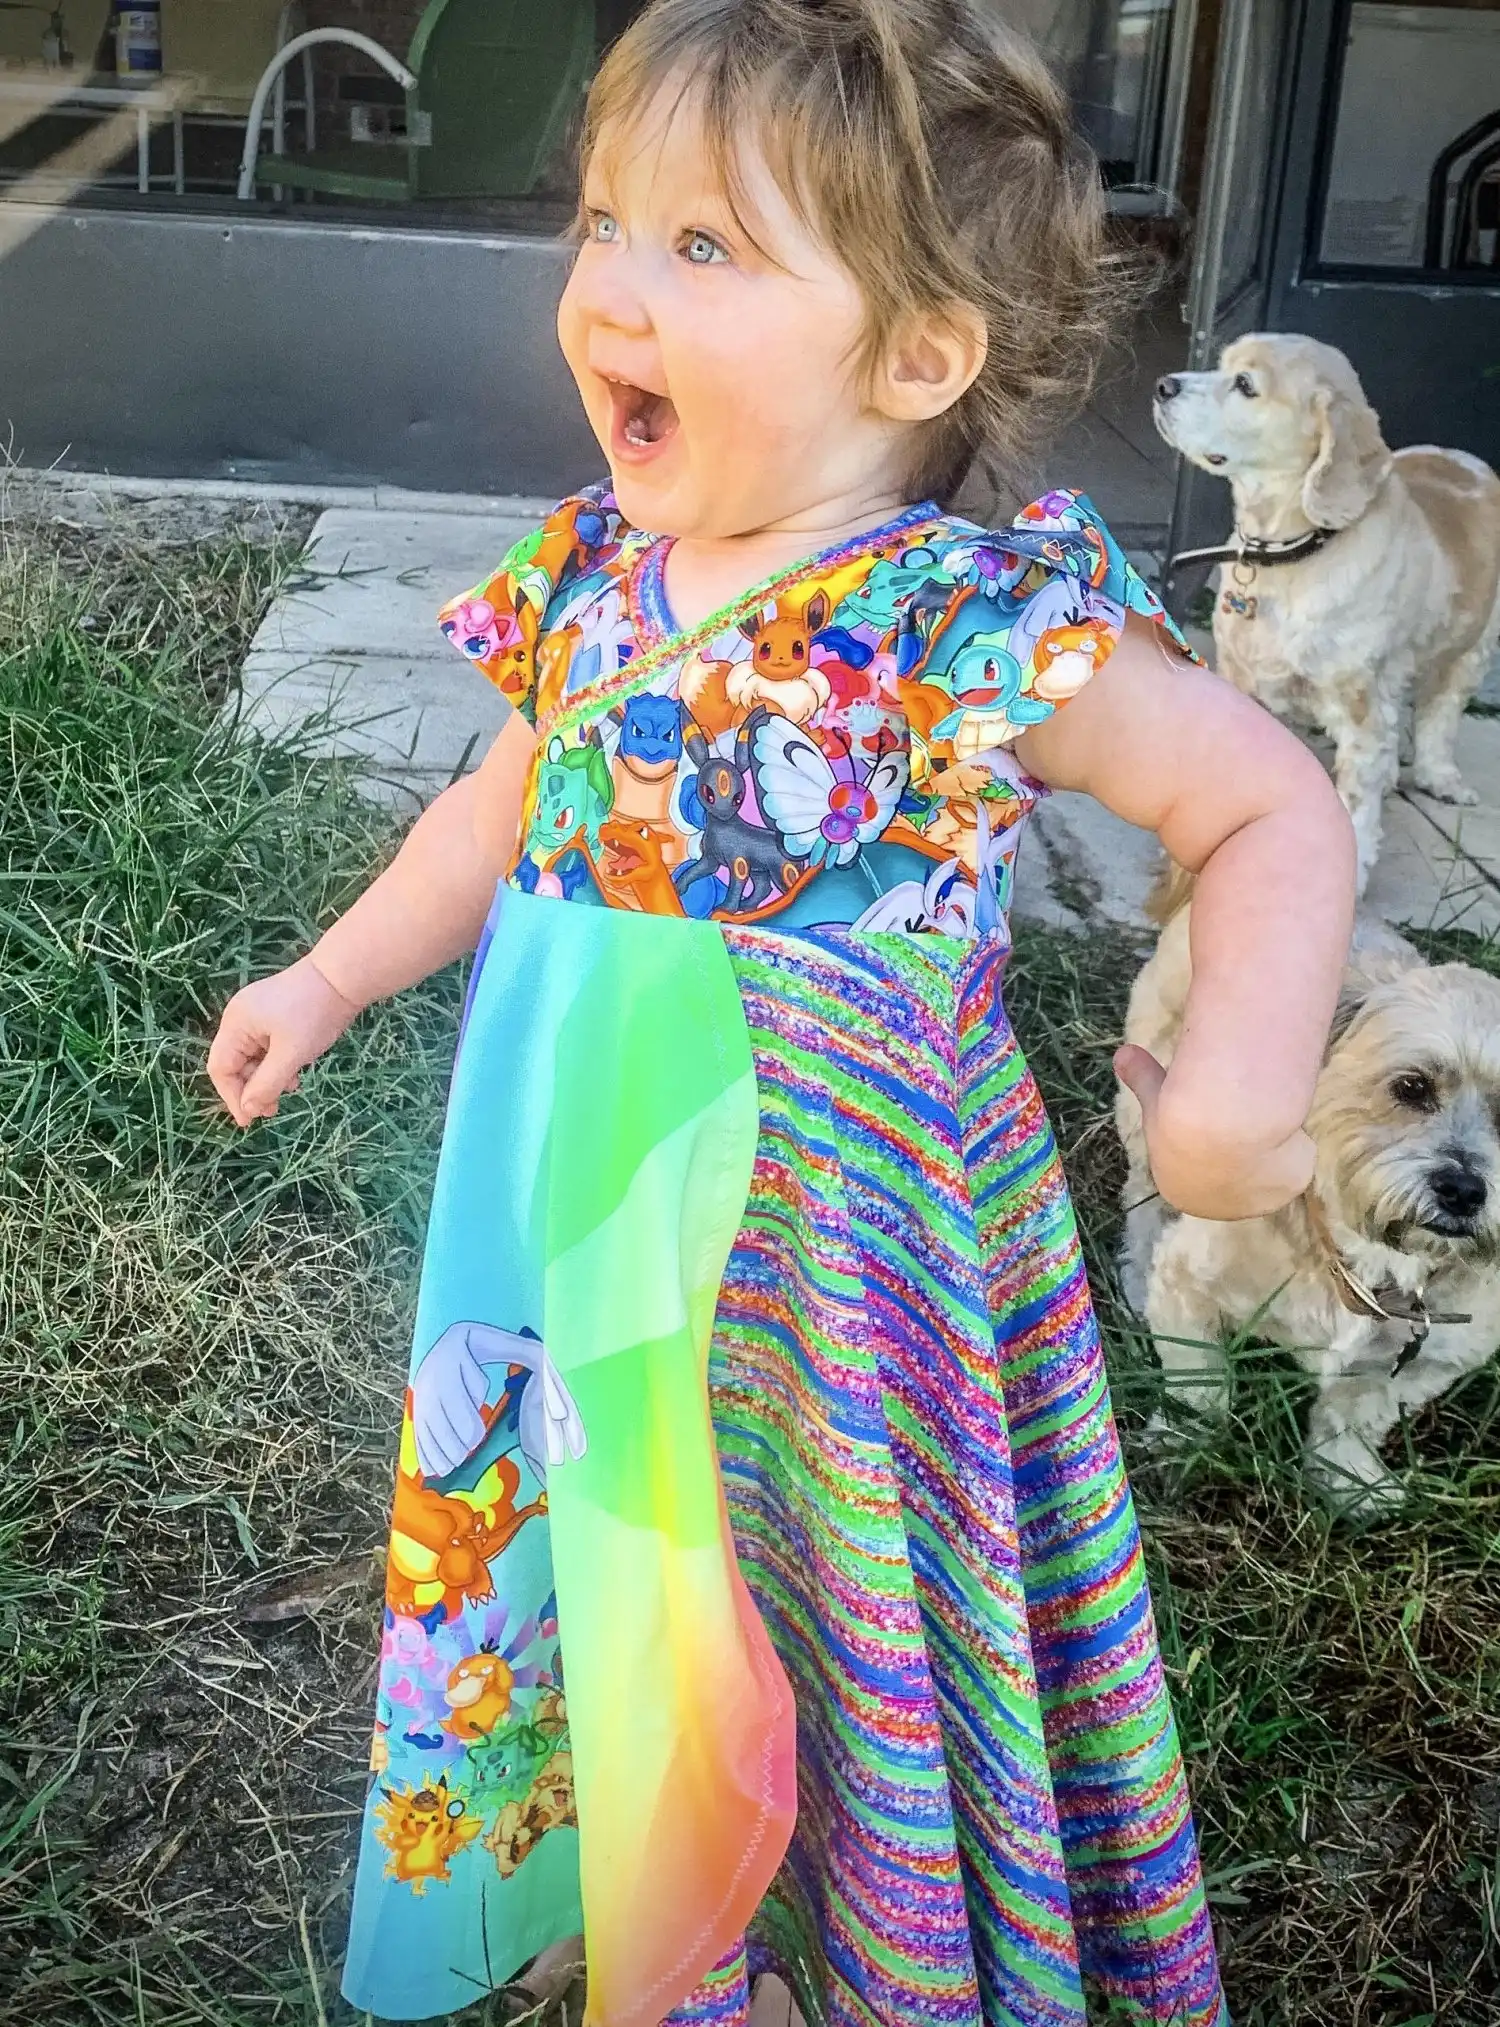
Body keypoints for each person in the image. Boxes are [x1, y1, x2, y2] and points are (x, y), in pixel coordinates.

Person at [208, 3, 1355, 2022]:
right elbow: (498, 809)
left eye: (701, 247)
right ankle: (660, 1923)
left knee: (836, 1618)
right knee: (618, 1585)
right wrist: (330, 972)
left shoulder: (965, 623)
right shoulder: (598, 581)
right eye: (600, 221)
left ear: (915, 359)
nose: (607, 290)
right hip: (597, 1253)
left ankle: (876, 1931)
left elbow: (1265, 801)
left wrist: (1234, 1103)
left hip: (845, 1303)